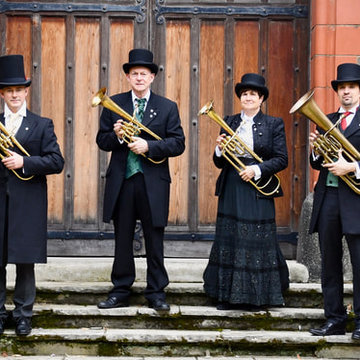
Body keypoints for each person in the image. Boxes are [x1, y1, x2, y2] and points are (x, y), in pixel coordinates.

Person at [96, 48, 185, 311]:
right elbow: (102, 141)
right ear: (127, 77)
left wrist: (149, 147)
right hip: (123, 180)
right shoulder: (113, 103)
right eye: (134, 73)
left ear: (152, 77)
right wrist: (119, 136)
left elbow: (178, 143)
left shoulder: (167, 107)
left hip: (153, 181)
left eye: (143, 74)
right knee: (122, 237)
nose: (138, 78)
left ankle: (156, 291)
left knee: (154, 237)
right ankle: (121, 289)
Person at [203, 73, 289, 310]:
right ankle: (227, 296)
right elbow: (219, 162)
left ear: (261, 98)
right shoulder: (229, 121)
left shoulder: (274, 124)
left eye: (253, 94)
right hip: (232, 185)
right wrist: (219, 150)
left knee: (254, 239)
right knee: (230, 239)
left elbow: (282, 159)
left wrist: (257, 170)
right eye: (245, 94)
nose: (248, 97)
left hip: (257, 187)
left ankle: (257, 297)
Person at [0, 54, 64, 336]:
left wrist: (24, 162)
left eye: (19, 90)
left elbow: (56, 161)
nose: (15, 94)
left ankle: (23, 314)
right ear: (2, 93)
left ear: (26, 91)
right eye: (9, 90)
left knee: (25, 261)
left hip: (28, 201)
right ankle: (0, 313)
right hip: (0, 201)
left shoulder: (42, 124)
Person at [309, 63, 360, 340]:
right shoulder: (326, 119)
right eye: (342, 88)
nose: (346, 92)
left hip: (355, 200)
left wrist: (352, 168)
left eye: (351, 87)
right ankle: (335, 318)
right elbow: (316, 162)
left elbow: (350, 164)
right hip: (328, 199)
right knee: (330, 263)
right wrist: (317, 152)